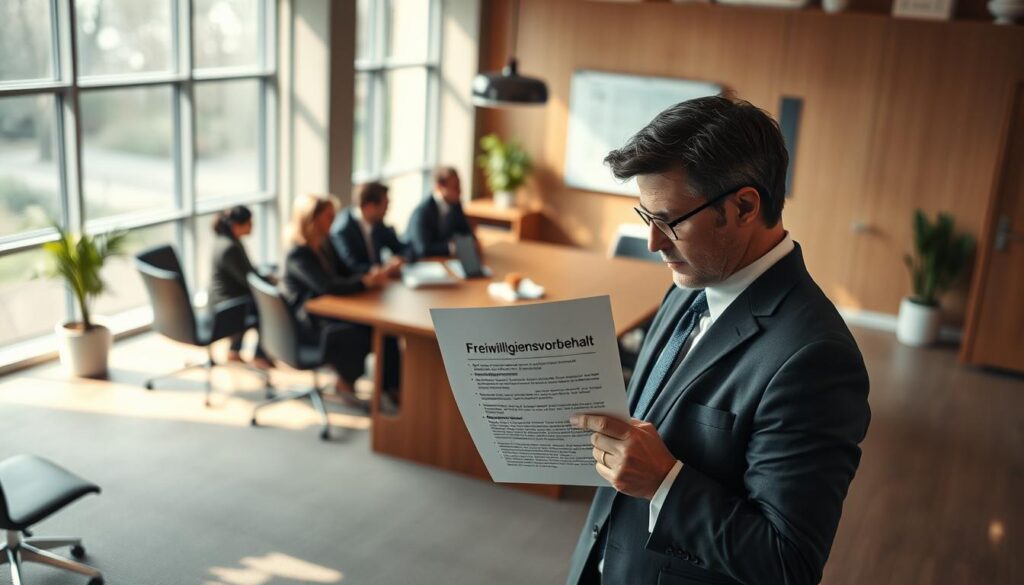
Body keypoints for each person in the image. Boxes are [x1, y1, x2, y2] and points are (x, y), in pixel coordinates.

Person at [566, 96, 871, 585]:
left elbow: (787, 564)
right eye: (647, 217)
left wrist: (665, 482)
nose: (654, 242)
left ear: (744, 206)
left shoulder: (817, 358)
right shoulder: (687, 287)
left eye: (669, 221)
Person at [282, 193, 389, 400]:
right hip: (307, 324)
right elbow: (326, 286)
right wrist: (364, 283)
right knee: (362, 331)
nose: (334, 221)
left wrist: (369, 275)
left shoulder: (325, 243)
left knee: (378, 327)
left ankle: (388, 387)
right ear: (312, 219)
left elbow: (345, 271)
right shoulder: (298, 253)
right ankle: (345, 382)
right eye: (329, 216)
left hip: (325, 313)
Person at [209, 205, 273, 370]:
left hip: (227, 299)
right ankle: (260, 355)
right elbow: (248, 279)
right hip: (227, 306)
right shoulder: (230, 247)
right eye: (249, 223)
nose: (252, 227)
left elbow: (246, 272)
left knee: (256, 302)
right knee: (268, 308)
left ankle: (235, 351)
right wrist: (269, 280)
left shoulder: (227, 241)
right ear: (236, 225)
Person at [328, 181, 407, 275]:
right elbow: (352, 267)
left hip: (382, 281)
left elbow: (403, 249)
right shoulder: (343, 230)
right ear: (370, 206)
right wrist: (383, 269)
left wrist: (400, 259)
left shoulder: (378, 224)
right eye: (385, 205)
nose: (387, 210)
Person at [406, 166, 475, 259]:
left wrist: (473, 242)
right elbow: (423, 249)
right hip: (417, 260)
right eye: (455, 187)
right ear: (439, 187)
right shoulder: (423, 212)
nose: (460, 191)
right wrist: (452, 248)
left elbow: (466, 231)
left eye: (459, 186)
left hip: (442, 258)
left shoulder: (455, 205)